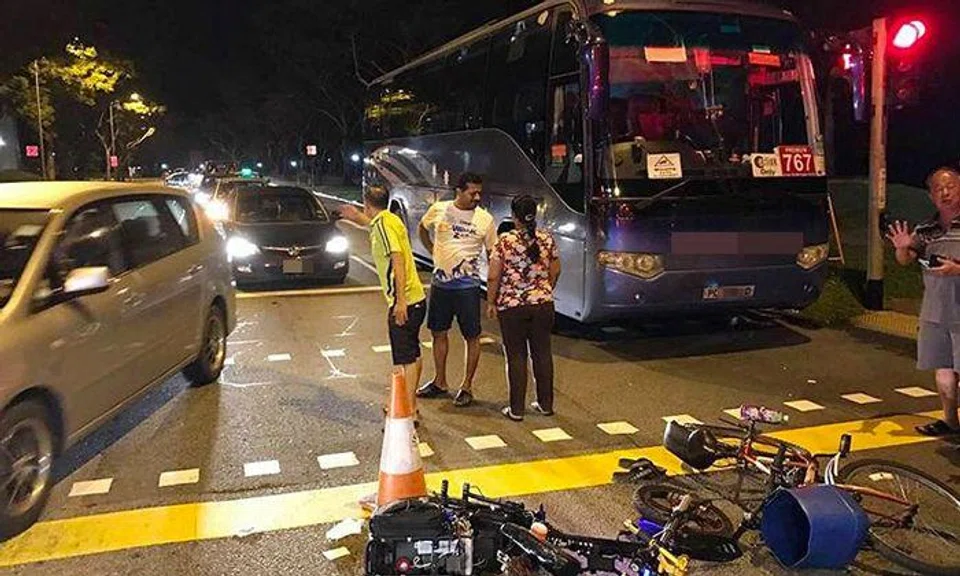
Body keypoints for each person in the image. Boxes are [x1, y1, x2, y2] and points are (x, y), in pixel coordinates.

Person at [339, 186, 427, 418]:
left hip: (405, 301)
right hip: (417, 298)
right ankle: (411, 404)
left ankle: (408, 410)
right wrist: (356, 217)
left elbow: (397, 260)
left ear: (367, 204)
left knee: (406, 359)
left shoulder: (383, 225)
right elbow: (373, 225)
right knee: (413, 353)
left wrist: (400, 302)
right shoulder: (390, 219)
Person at [887, 167, 960, 437]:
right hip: (935, 311)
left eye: (950, 186)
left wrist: (957, 269)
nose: (945, 193)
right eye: (938, 189)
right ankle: (950, 422)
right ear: (930, 195)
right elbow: (906, 260)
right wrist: (901, 248)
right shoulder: (927, 229)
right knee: (943, 371)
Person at [416, 172, 496, 407]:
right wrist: (432, 250)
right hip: (441, 285)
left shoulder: (485, 219)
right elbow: (422, 228)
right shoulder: (439, 210)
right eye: (472, 193)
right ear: (458, 191)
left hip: (468, 288)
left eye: (479, 193)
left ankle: (466, 386)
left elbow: (493, 254)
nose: (477, 197)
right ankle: (440, 382)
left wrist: (494, 291)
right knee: (438, 332)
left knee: (472, 336)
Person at [486, 195, 561, 421]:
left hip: (512, 306)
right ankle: (545, 405)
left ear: (514, 216)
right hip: (543, 304)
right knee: (542, 353)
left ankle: (516, 409)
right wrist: (543, 289)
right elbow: (556, 269)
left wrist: (491, 302)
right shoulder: (547, 239)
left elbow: (493, 276)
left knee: (516, 355)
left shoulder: (505, 241)